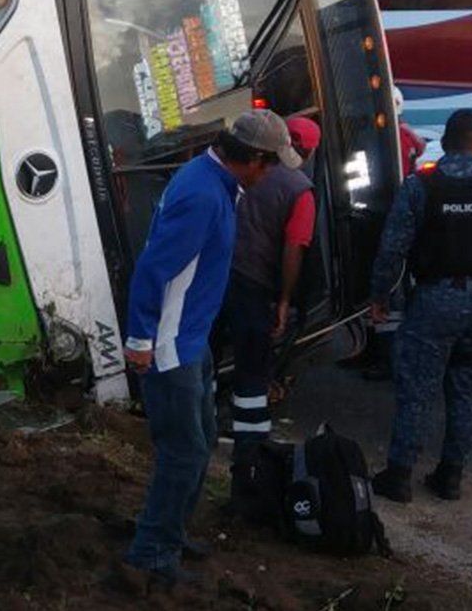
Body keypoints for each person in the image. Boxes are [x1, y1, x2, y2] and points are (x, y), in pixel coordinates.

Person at [122, 109, 302, 586]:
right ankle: (152, 552)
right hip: (170, 346)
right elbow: (152, 269)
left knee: (199, 442)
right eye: (272, 165)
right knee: (183, 451)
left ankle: (172, 531)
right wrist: (140, 340)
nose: (273, 176)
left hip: (192, 339)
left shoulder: (214, 181)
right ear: (255, 159)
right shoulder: (203, 196)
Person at [370, 109, 472, 503]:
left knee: (418, 388)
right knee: (466, 391)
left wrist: (380, 296)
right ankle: (451, 476)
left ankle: (400, 475)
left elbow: (393, 248)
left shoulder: (421, 185)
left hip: (436, 300)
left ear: (444, 143)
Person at [224, 116, 320, 493]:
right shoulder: (300, 190)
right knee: (252, 377)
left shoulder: (226, 171)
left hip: (218, 277)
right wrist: (284, 299)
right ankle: (247, 465)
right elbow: (294, 248)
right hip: (253, 289)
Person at [345, 87, 426, 380]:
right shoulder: (405, 136)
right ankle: (373, 348)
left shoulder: (384, 138)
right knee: (378, 285)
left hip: (382, 216)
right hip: (381, 214)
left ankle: (386, 356)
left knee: (387, 289)